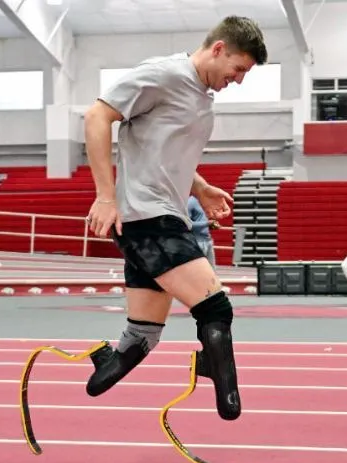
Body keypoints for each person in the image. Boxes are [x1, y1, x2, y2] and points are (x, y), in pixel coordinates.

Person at [80, 15, 268, 422]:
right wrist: (105, 196)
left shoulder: (201, 95)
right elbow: (97, 117)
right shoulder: (163, 74)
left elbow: (161, 150)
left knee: (144, 333)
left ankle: (103, 369)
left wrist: (199, 187)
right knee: (215, 310)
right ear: (218, 48)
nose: (238, 80)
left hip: (165, 216)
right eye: (238, 70)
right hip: (149, 220)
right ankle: (220, 386)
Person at [187, 195, 220, 267]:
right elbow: (187, 224)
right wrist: (207, 223)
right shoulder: (190, 202)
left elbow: (201, 220)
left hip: (208, 240)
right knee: (198, 270)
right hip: (198, 241)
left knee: (212, 270)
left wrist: (210, 225)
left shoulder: (203, 202)